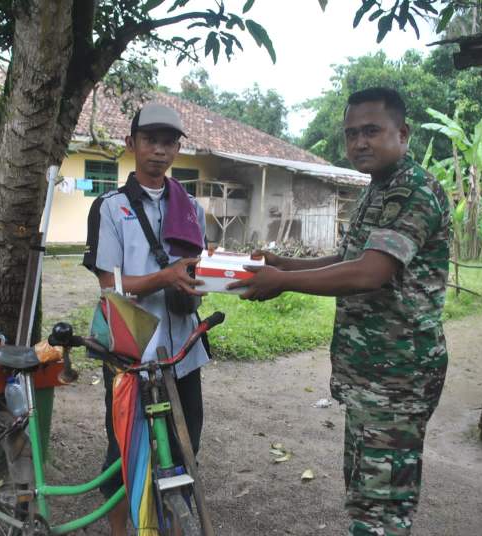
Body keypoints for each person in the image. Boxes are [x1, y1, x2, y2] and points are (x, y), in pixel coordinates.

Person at [228, 87, 451, 535]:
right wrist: (284, 265)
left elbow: (370, 273)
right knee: (366, 494)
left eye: (371, 131)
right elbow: (348, 259)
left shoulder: (414, 190)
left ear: (403, 133)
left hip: (398, 377)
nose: (359, 142)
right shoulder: (378, 188)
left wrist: (283, 281)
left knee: (381, 511)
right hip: (373, 374)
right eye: (351, 134)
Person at [82, 102, 209, 536]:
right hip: (130, 352)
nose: (159, 150)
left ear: (177, 149)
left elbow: (198, 272)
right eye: (150, 140)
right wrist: (164, 277)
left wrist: (212, 281)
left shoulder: (192, 209)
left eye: (168, 142)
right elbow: (110, 285)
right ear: (131, 143)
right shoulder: (110, 207)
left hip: (183, 353)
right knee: (124, 450)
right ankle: (121, 530)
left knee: (186, 447)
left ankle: (173, 523)